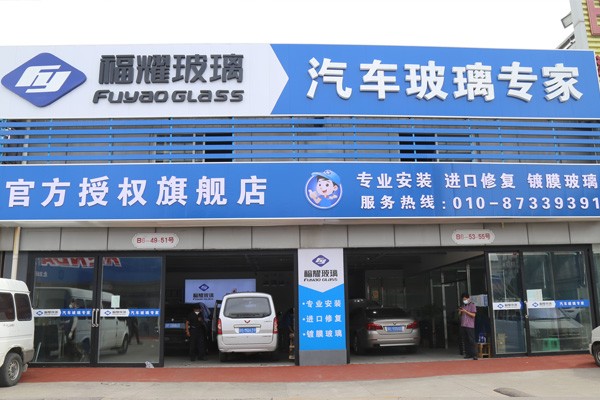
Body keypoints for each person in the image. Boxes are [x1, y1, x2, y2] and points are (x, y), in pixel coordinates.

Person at [458, 293, 477, 360]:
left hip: (470, 325)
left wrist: (465, 311)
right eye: (463, 299)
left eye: (465, 299)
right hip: (463, 325)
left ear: (468, 298)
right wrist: (460, 311)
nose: (464, 300)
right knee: (465, 340)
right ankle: (468, 354)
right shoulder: (463, 305)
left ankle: (474, 354)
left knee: (471, 340)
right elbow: (460, 315)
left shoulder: (472, 305)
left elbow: (473, 315)